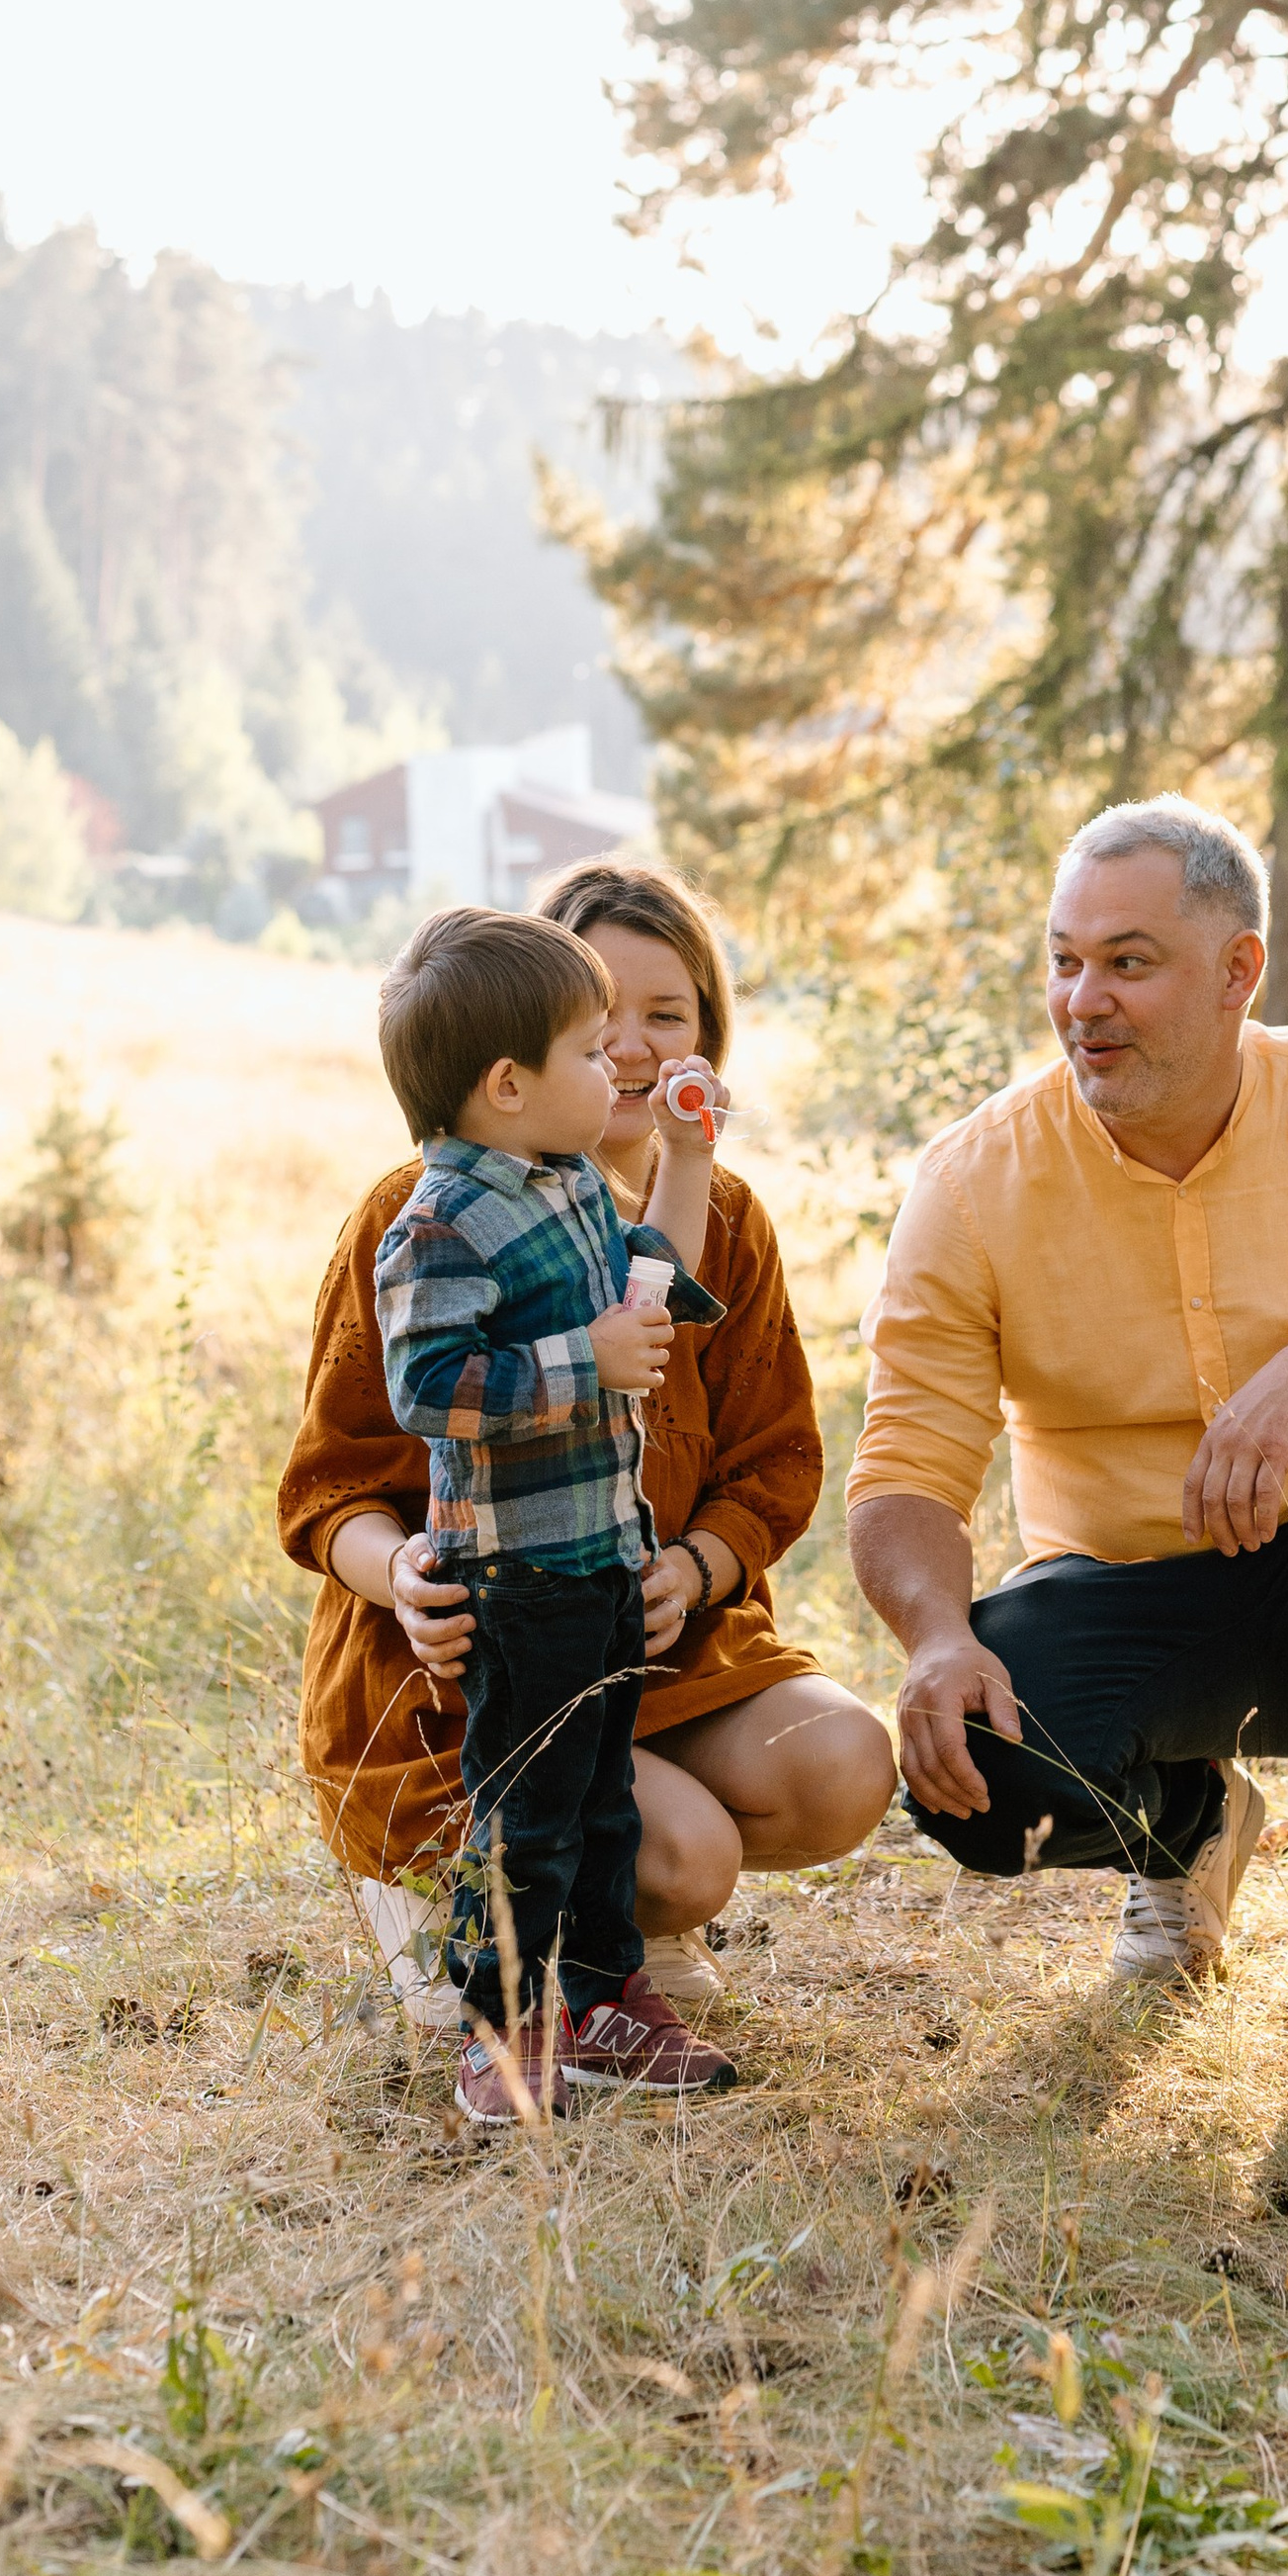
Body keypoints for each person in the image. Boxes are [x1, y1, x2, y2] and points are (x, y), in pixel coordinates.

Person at [845, 794, 1288, 2053]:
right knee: (970, 1769)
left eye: (1128, 963)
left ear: (1238, 970)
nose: (1084, 998)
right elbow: (907, 1461)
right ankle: (1186, 1828)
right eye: (1064, 961)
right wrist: (928, 1635)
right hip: (1128, 1601)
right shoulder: (973, 1180)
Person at [279, 860, 895, 2046]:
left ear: (708, 1039)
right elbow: (330, 1483)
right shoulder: (419, 1216)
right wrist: (399, 1577)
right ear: (517, 1047)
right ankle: (462, 1911)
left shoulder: (726, 1218)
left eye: (667, 1017)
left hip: (644, 1635)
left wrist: (700, 1569)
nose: (628, 1048)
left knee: (842, 1768)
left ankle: (604, 1918)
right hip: (474, 1658)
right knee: (682, 1851)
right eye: (596, 1018)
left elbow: (774, 1459)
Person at [372, 902, 740, 2122]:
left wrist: (685, 1160)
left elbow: (659, 1287)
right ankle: (501, 2025)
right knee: (521, 1807)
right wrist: (582, 1358)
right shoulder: (436, 1224)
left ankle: (601, 1996)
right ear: (509, 1083)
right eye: (591, 1049)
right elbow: (430, 1390)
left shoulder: (572, 1183)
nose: (619, 1064)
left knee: (599, 1801)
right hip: (515, 1573)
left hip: (599, 1556)